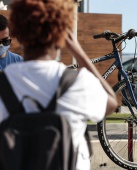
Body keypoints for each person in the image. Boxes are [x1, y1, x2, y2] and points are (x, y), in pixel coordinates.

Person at [0, 0, 118, 170]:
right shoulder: (77, 82)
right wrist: (79, 52)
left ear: (18, 34)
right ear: (62, 33)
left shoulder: (4, 83)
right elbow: (111, 104)